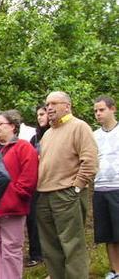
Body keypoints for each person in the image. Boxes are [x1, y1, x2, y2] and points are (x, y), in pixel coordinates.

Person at [37, 91, 98, 279]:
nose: (49, 107)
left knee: (72, 246)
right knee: (51, 248)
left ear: (68, 106)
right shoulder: (47, 133)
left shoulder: (79, 127)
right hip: (44, 195)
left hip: (67, 194)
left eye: (54, 103)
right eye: (47, 104)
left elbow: (90, 161)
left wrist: (77, 187)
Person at [0, 110, 39, 278]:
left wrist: (17, 195)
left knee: (11, 249)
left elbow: (29, 177)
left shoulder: (24, 147)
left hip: (13, 208)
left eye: (0, 124)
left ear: (12, 126)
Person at [92, 95, 119, 279]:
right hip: (100, 188)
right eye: (95, 111)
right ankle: (115, 270)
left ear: (112, 109)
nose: (98, 114)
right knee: (107, 234)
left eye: (101, 110)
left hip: (118, 187)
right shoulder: (94, 136)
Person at [25, 103, 48, 267]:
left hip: (51, 182)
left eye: (43, 114)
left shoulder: (55, 134)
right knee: (32, 218)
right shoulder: (35, 138)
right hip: (35, 183)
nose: (40, 117)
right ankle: (36, 253)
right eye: (38, 114)